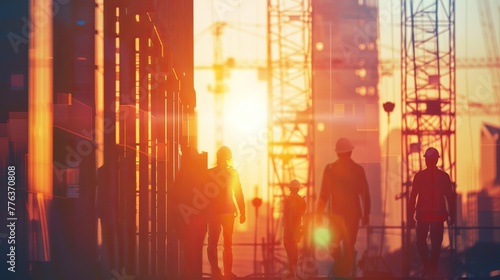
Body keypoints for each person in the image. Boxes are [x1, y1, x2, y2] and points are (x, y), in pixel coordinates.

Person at [316, 137, 371, 277]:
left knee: (334, 244)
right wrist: (366, 214)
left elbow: (323, 194)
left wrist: (318, 214)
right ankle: (343, 271)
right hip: (352, 216)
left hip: (336, 215)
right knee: (348, 247)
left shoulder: (330, 169)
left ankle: (342, 271)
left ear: (337, 153)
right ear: (350, 152)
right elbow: (365, 194)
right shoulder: (358, 170)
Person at [408, 147, 456, 277]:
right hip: (438, 217)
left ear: (426, 161)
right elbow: (450, 198)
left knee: (421, 242)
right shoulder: (444, 177)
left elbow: (413, 197)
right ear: (436, 160)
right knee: (436, 243)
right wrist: (453, 216)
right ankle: (432, 268)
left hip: (423, 216)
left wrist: (410, 216)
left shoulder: (419, 176)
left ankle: (428, 267)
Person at [207, 146, 246, 280]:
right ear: (229, 158)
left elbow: (203, 195)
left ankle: (215, 272)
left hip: (213, 213)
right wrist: (243, 212)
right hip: (229, 212)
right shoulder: (233, 173)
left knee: (212, 243)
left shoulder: (209, 173)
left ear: (218, 158)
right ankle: (227, 273)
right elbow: (238, 193)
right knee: (228, 244)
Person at [283, 179, 307, 279]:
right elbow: (302, 213)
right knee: (294, 249)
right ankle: (292, 269)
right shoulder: (301, 200)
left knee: (290, 248)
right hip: (296, 228)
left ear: (291, 189)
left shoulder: (288, 200)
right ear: (298, 189)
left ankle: (292, 270)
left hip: (289, 229)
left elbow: (287, 216)